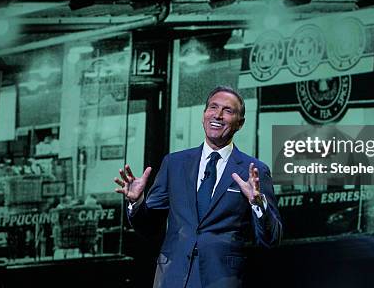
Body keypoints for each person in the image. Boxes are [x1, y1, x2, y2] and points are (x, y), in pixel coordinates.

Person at [114, 86, 282, 288]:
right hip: (172, 276)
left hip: (222, 278)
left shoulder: (254, 171)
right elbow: (149, 228)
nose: (218, 115)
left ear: (240, 123)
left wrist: (257, 204)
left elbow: (271, 239)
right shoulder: (174, 164)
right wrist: (136, 202)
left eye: (228, 111)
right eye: (213, 107)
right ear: (204, 115)